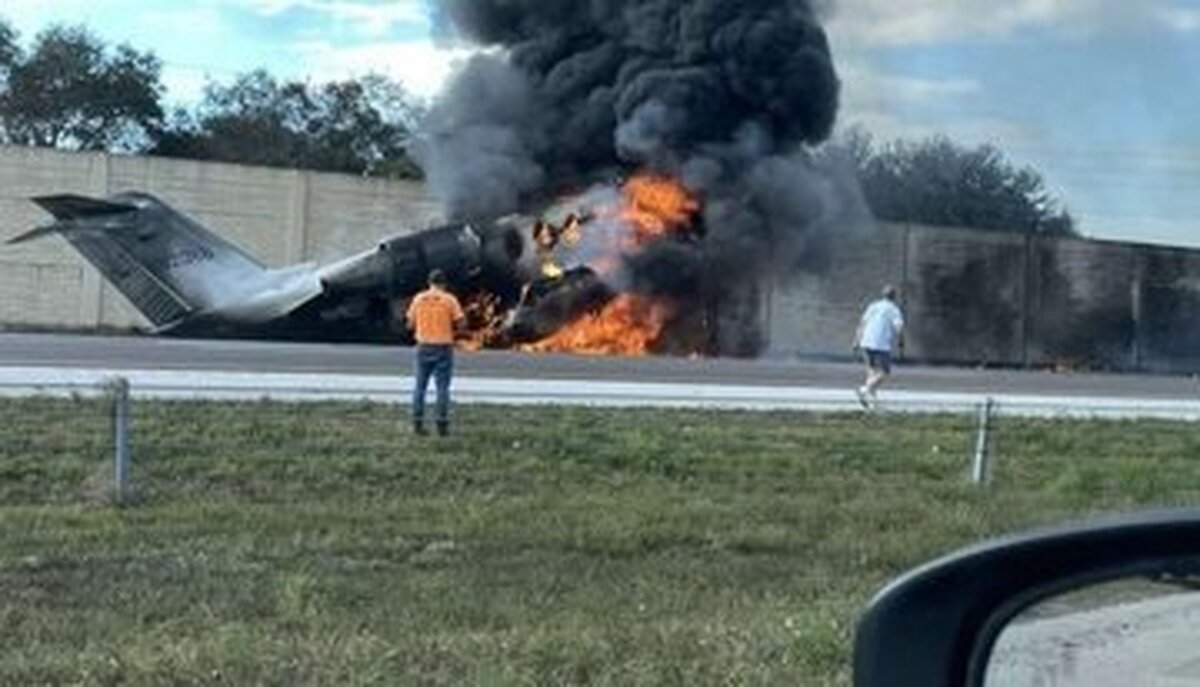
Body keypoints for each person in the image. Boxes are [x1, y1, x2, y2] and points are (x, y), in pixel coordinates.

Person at [405, 269, 466, 436]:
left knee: (420, 387)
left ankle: (417, 424)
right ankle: (442, 425)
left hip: (423, 345)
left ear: (429, 283)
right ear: (444, 283)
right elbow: (461, 323)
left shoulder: (418, 299)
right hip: (443, 347)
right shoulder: (449, 299)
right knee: (442, 388)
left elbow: (409, 325)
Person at [853, 284, 905, 410]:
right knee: (884, 372)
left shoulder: (873, 305)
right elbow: (898, 327)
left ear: (882, 295)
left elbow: (862, 323)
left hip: (866, 342)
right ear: (894, 297)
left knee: (871, 371)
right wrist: (901, 341)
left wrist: (856, 340)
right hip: (881, 345)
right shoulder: (894, 309)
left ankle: (871, 402)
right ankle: (864, 390)